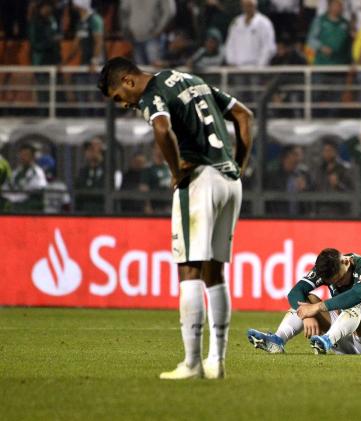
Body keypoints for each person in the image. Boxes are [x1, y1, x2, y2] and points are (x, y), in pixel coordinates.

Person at [97, 56, 254, 380]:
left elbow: (161, 127)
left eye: (118, 98)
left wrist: (175, 169)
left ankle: (192, 363)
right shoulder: (190, 80)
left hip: (199, 180)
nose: (123, 105)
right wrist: (238, 165)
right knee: (215, 271)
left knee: (190, 267)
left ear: (128, 81)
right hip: (230, 182)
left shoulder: (152, 93)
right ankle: (217, 361)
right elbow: (243, 115)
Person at [247, 248, 361, 355]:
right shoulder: (326, 269)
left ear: (347, 261)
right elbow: (295, 292)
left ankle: (327, 340)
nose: (339, 285)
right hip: (346, 335)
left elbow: (358, 294)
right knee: (306, 301)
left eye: (341, 279)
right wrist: (308, 315)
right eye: (334, 283)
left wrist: (318, 308)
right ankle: (278, 341)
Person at [119, 0, 176, 65]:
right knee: (140, 70)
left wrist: (159, 29)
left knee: (156, 70)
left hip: (154, 38)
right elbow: (124, 11)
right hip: (135, 37)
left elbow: (169, 11)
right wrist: (127, 31)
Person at [9, 143, 48, 212]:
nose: (23, 157)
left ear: (32, 157)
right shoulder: (17, 172)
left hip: (32, 210)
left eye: (26, 155)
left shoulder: (38, 172)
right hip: (16, 208)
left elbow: (36, 189)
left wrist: (14, 197)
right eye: (21, 155)